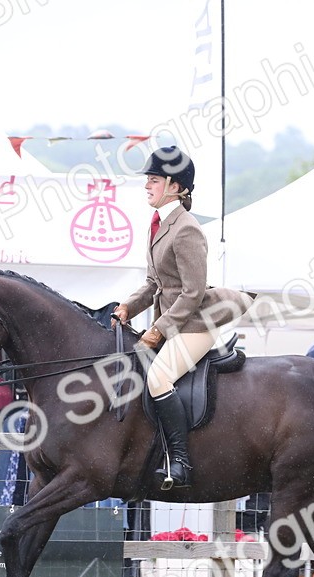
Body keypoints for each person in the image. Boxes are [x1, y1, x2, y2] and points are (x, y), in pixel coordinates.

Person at [111, 146, 254, 490]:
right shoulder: (158, 224)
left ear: (175, 187)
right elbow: (152, 284)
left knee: (158, 379)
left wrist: (157, 331)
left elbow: (192, 292)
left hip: (195, 324)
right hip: (174, 322)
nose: (148, 185)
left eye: (154, 180)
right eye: (148, 179)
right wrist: (128, 306)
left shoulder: (186, 229)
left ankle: (180, 460)